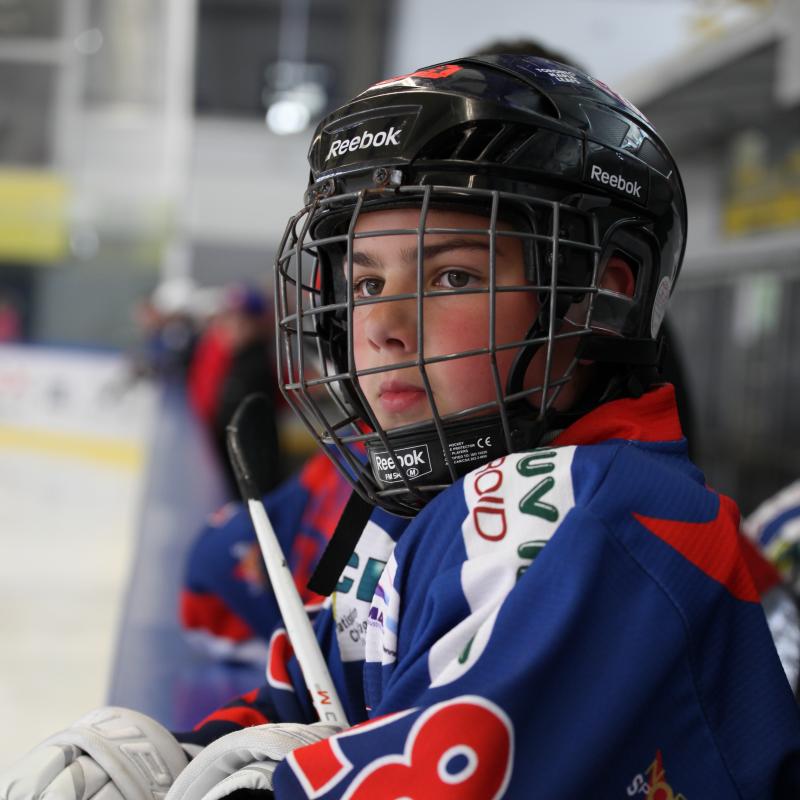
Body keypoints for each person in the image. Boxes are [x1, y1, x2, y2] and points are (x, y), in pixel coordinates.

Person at [4, 54, 800, 798]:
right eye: (365, 280)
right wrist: (177, 756)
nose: (379, 325)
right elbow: (313, 701)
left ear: (603, 296)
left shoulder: (608, 522)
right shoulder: (413, 506)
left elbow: (444, 765)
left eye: (452, 275)